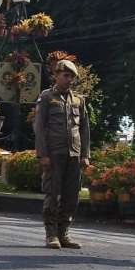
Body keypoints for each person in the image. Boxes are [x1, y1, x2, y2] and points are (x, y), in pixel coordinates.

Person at [34, 59, 90, 249]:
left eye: (71, 77)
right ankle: (51, 234)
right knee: (53, 194)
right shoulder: (47, 97)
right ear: (56, 75)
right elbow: (39, 127)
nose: (69, 80)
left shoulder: (79, 100)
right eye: (65, 76)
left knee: (71, 196)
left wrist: (85, 155)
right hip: (54, 153)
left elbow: (84, 129)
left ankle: (64, 232)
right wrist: (42, 154)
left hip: (73, 154)